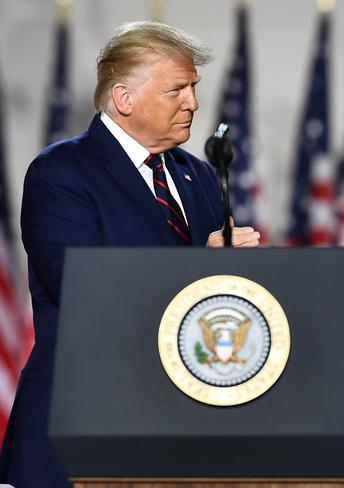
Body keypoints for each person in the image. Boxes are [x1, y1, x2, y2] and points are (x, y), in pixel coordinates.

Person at [0, 21, 259, 487]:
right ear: (124, 99)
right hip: (81, 424)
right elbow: (84, 289)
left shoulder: (199, 175)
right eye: (176, 89)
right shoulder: (61, 174)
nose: (194, 104)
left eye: (194, 88)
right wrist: (202, 264)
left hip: (180, 430)